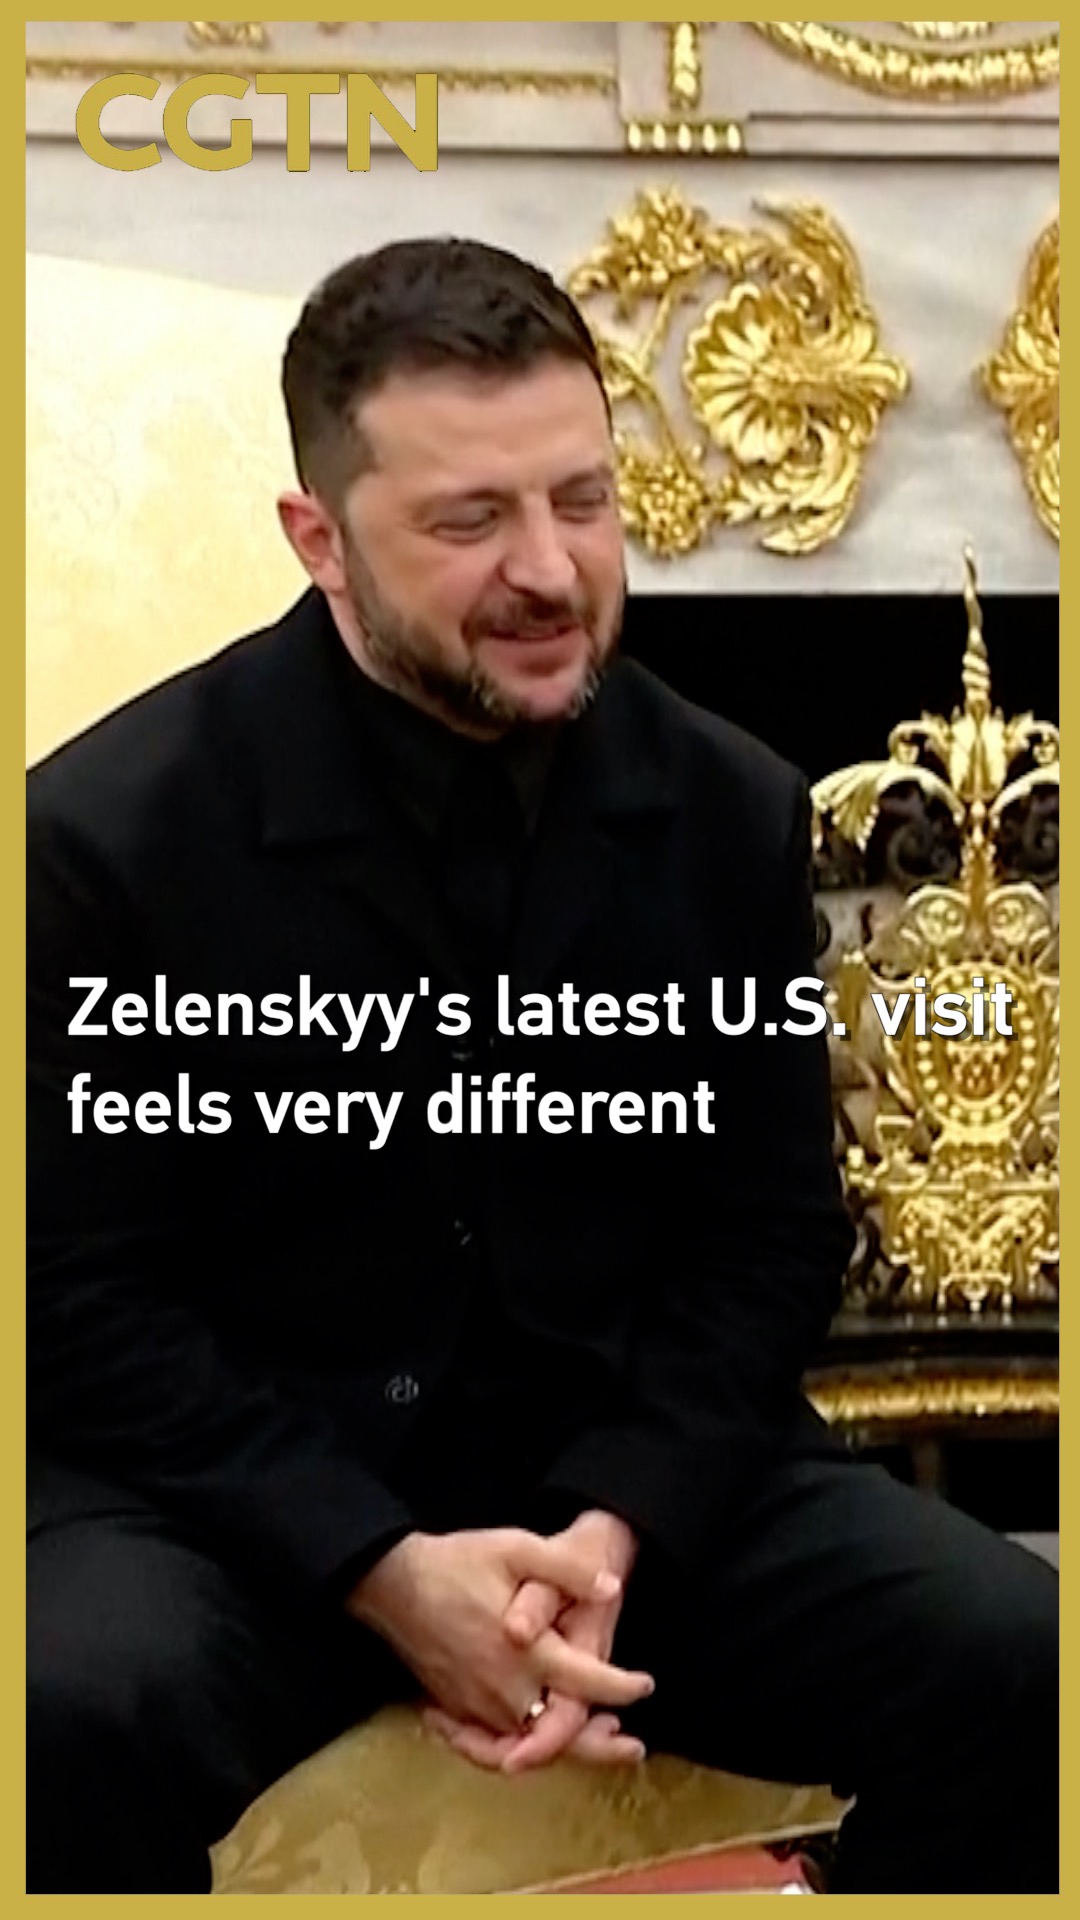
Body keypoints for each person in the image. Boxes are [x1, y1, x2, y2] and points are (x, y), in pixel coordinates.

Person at [27, 236, 1057, 1894]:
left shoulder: (725, 806)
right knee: (64, 1711)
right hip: (241, 1510)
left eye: (583, 501)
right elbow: (79, 1298)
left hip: (623, 1497)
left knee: (1026, 1664)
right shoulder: (104, 838)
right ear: (317, 539)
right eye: (469, 521)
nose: (550, 570)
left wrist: (614, 1527)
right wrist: (376, 1565)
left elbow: (769, 1238)